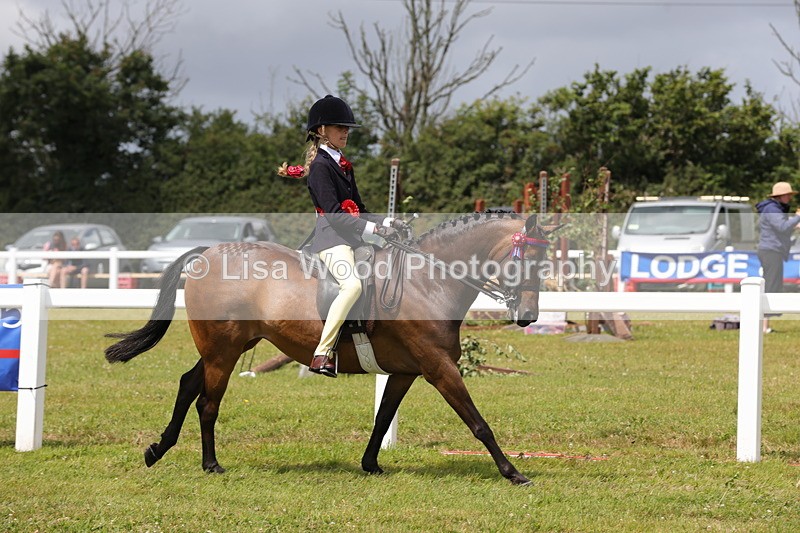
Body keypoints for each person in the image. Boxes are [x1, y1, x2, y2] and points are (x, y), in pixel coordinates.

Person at [278, 95, 407, 377]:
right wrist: (374, 230)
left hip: (351, 239)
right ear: (322, 130)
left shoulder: (343, 165)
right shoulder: (320, 167)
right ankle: (322, 353)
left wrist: (389, 221)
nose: (345, 132)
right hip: (331, 241)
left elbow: (360, 208)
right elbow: (335, 214)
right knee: (352, 287)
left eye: (347, 128)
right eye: (340, 127)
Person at [756, 181, 800, 332]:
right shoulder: (772, 209)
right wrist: (797, 217)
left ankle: (765, 325)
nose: (790, 198)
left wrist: (794, 224)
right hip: (771, 251)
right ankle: (764, 326)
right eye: (788, 195)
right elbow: (782, 227)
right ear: (781, 196)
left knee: (772, 285)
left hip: (771, 251)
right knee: (771, 286)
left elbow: (781, 227)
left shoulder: (772, 209)